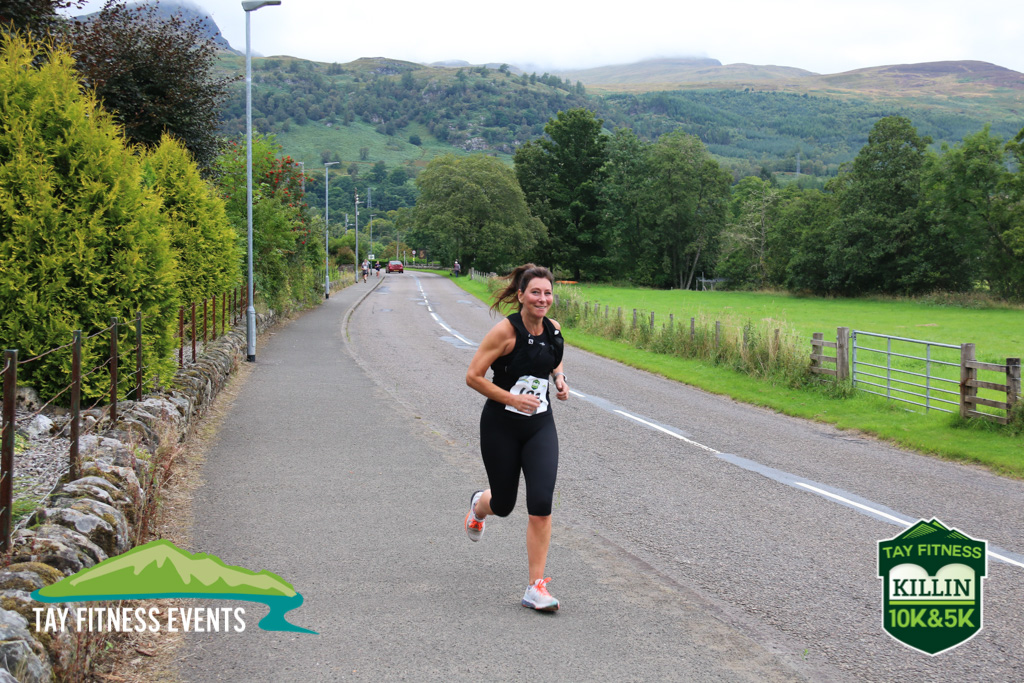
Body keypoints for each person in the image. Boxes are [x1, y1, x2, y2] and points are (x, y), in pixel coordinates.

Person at [464, 264, 569, 612]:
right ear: (521, 295)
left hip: (540, 425)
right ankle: (479, 505)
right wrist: (512, 398)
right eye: (535, 292)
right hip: (501, 425)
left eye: (548, 293)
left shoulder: (554, 329)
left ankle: (535, 587)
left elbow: (553, 359)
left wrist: (559, 380)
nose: (543, 299)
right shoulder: (504, 333)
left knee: (541, 504)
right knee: (504, 504)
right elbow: (473, 376)